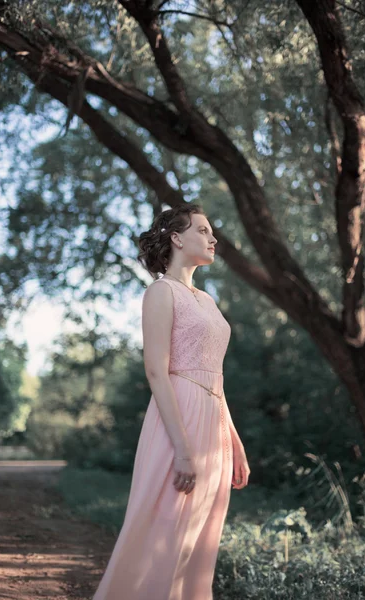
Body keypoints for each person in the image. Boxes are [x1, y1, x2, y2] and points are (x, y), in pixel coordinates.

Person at [92, 203, 250, 600]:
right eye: (203, 230)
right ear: (177, 238)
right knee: (165, 526)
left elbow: (217, 376)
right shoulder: (161, 292)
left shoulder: (209, 301)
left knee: (200, 535)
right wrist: (181, 448)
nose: (213, 238)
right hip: (177, 417)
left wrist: (234, 440)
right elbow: (156, 372)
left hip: (213, 422)